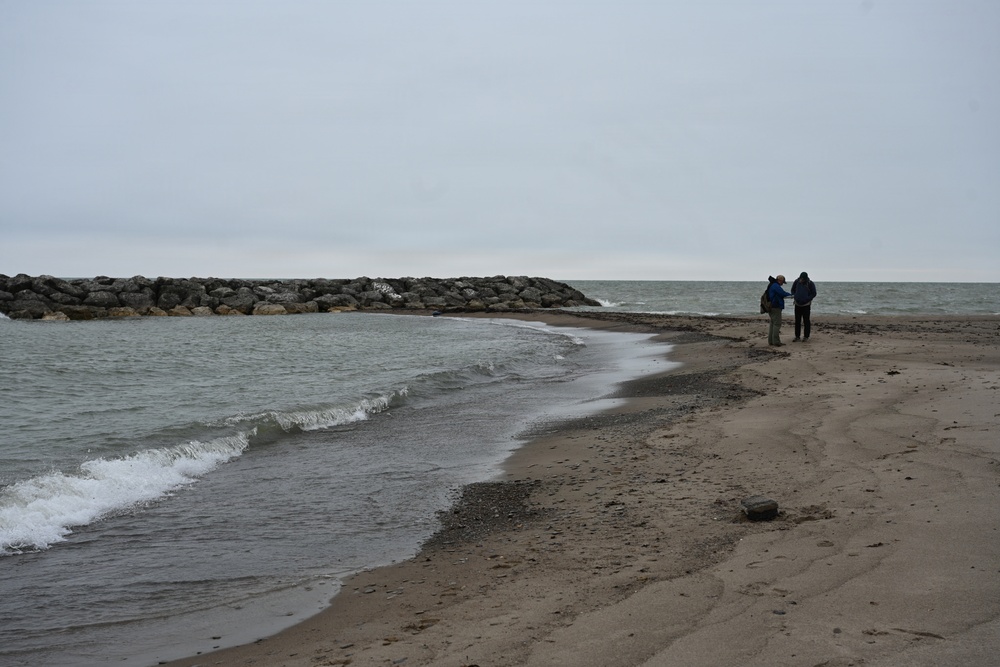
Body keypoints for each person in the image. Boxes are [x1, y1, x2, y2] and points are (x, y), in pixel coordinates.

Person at [790, 271, 817, 341]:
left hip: (806, 305)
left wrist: (807, 299)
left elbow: (814, 293)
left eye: (802, 279)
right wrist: (795, 296)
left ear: (806, 278)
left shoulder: (810, 283)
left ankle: (806, 336)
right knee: (797, 321)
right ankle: (797, 336)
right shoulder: (796, 282)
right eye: (800, 278)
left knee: (806, 321)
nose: (801, 280)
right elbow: (792, 290)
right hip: (797, 304)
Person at [767, 274, 792, 346]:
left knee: (773, 324)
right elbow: (782, 293)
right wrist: (791, 295)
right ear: (780, 280)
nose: (782, 284)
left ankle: (771, 341)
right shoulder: (776, 286)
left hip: (771, 307)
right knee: (777, 324)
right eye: (782, 282)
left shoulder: (772, 285)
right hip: (775, 307)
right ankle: (776, 341)